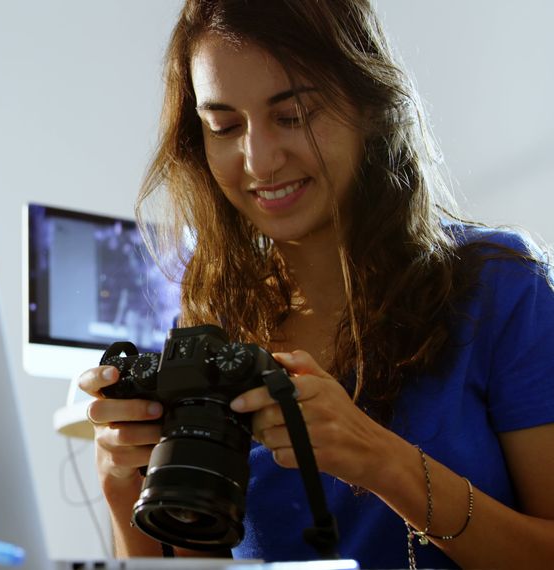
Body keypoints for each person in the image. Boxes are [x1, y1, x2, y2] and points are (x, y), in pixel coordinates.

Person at [77, 1, 554, 568]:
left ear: (369, 106)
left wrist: (383, 462)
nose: (258, 159)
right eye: (225, 126)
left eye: (294, 115)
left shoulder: (498, 285)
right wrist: (124, 488)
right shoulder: (213, 321)